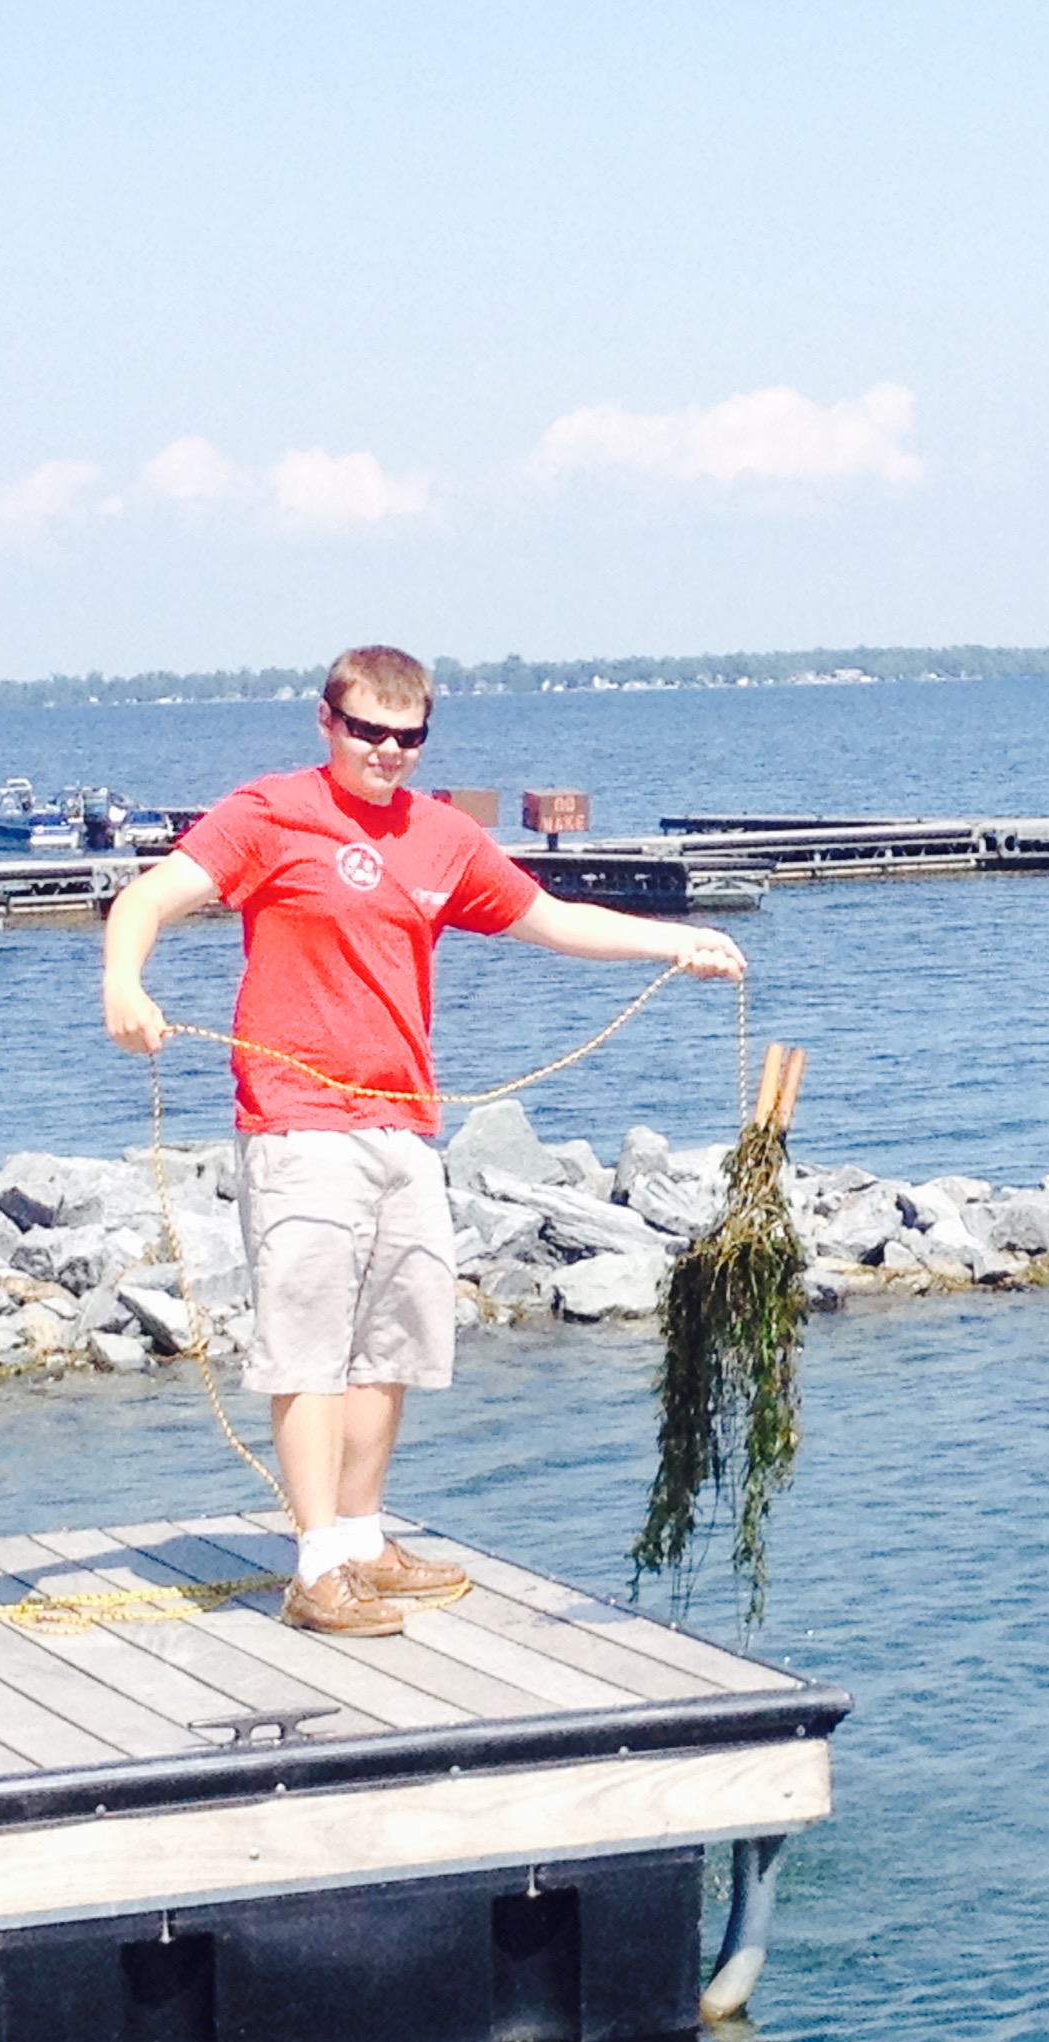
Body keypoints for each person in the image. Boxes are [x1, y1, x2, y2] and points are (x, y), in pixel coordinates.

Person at [100, 645, 746, 1635]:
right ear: (328, 723)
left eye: (409, 737)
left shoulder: (441, 837)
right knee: (308, 1346)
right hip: (297, 1120)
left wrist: (678, 943)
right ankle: (315, 1568)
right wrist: (124, 986)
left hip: (404, 1125)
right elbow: (147, 899)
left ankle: (361, 1538)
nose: (387, 752)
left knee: (391, 1341)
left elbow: (554, 918)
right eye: (368, 732)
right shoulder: (270, 813)